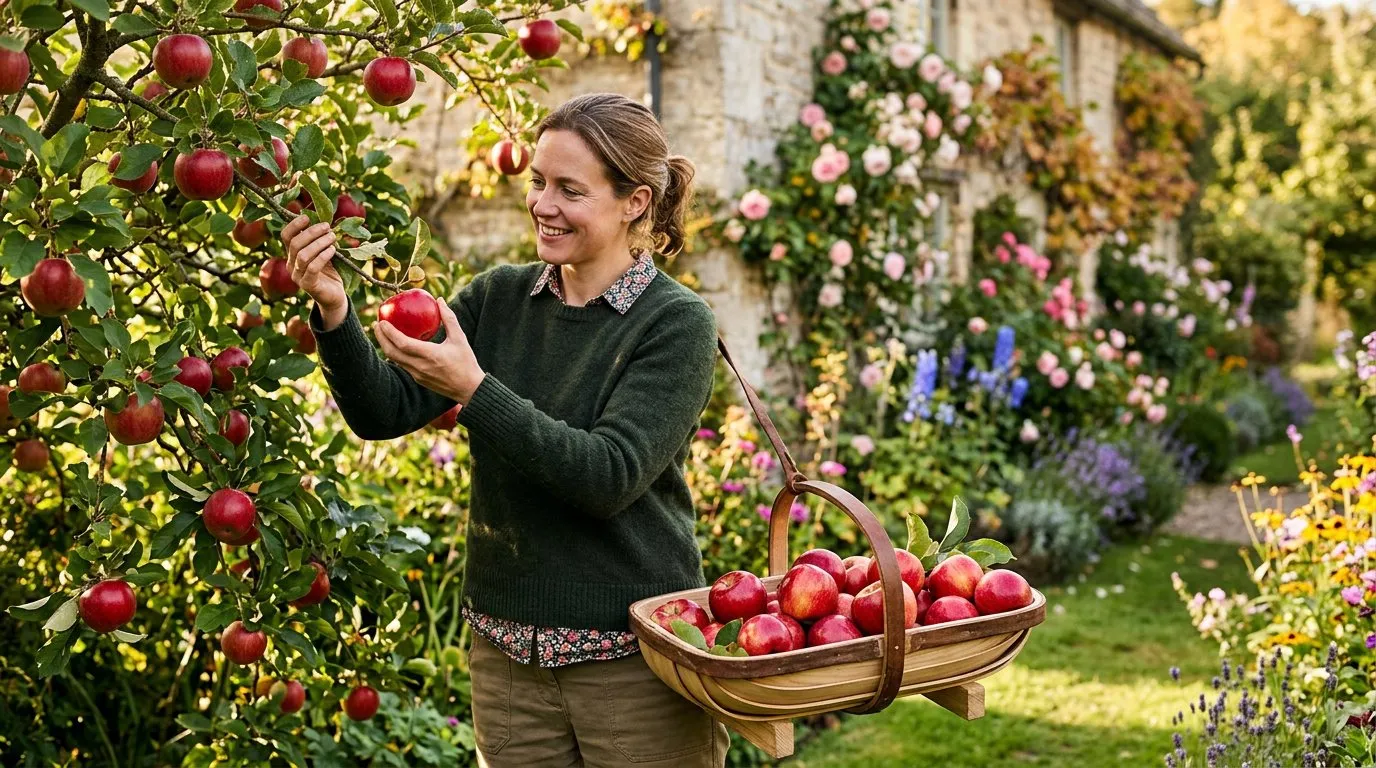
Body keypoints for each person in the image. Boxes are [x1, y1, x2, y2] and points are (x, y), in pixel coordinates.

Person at [281, 92, 729, 767]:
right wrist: (334, 310)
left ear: (634, 202)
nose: (543, 204)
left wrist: (475, 389)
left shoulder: (675, 322)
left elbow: (606, 476)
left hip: (633, 660)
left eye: (570, 189)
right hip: (507, 659)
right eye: (538, 182)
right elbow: (383, 413)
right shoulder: (498, 297)